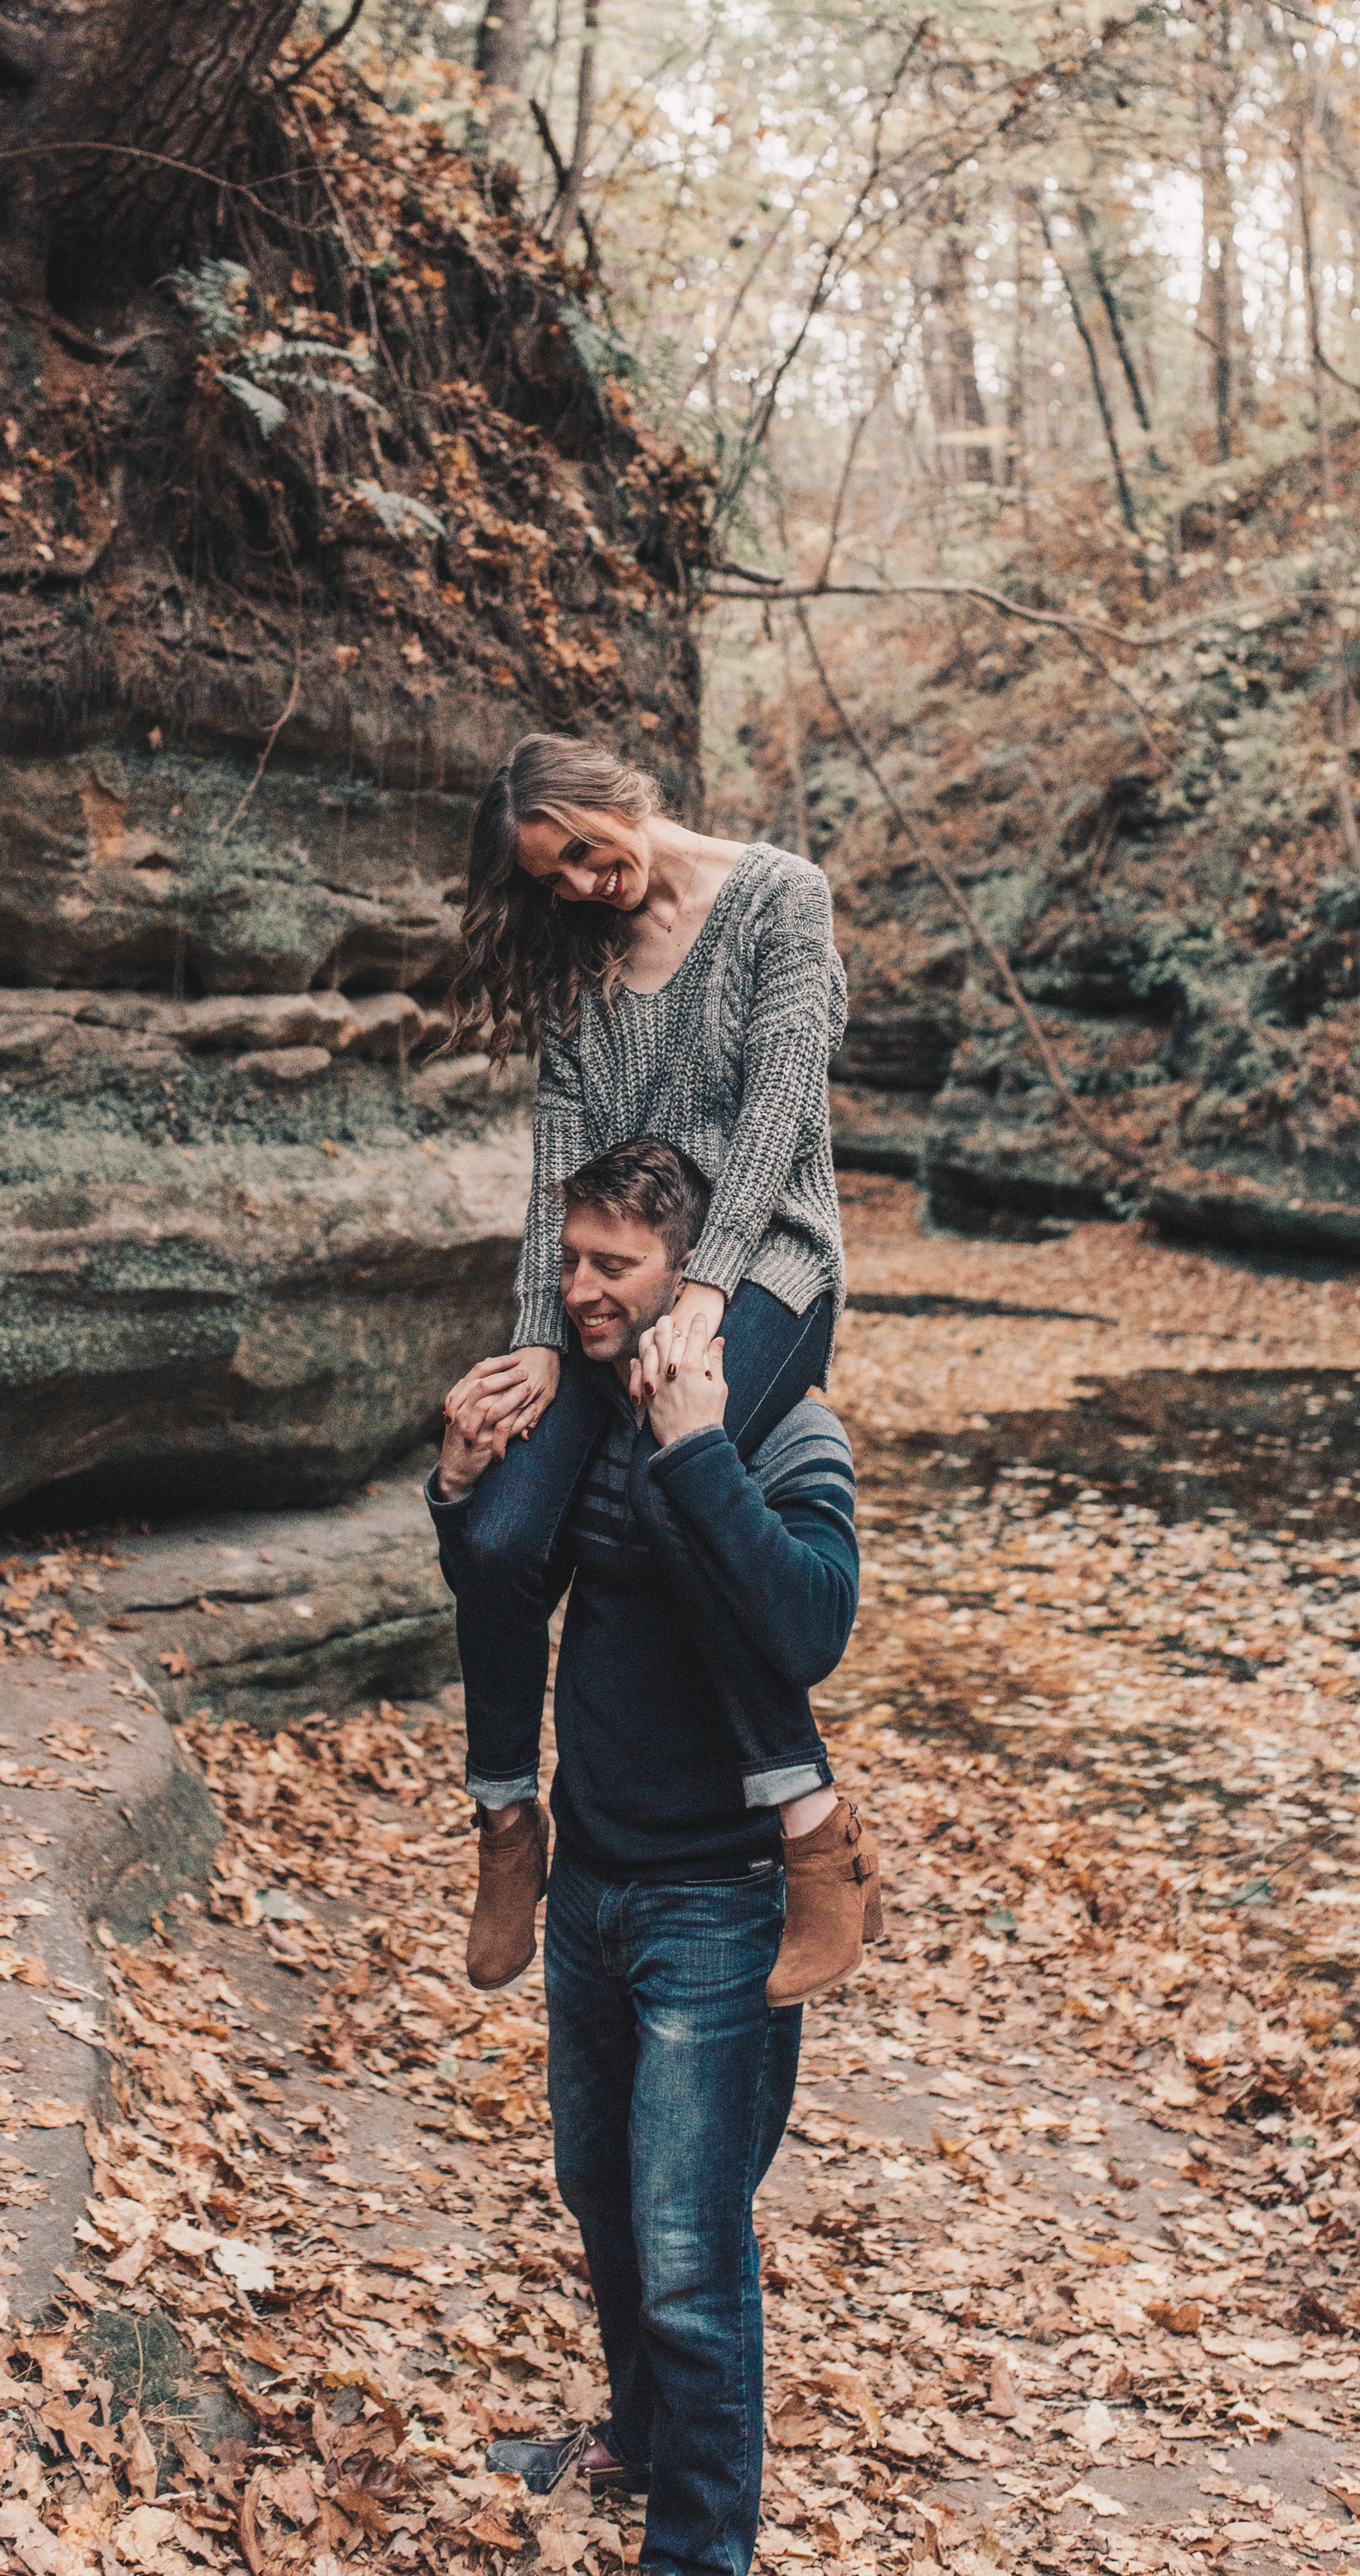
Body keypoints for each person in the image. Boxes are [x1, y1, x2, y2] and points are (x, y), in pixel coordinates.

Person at [427, 1139, 869, 2576]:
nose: (578, 1291)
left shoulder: (789, 1427)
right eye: (571, 1261)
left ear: (693, 1278)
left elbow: (806, 1626)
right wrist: (458, 1484)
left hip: (724, 1900)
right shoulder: (590, 1420)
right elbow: (510, 1581)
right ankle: (635, 2432)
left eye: (611, 1267)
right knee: (599, 2191)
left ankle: (699, 2551)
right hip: (594, 1882)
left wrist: (697, 1450)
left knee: (691, 2248)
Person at [442, 731, 866, 2004]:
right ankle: (511, 1817)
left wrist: (714, 1288)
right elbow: (555, 1169)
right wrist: (534, 1332)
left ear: (619, 797)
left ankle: (813, 1829)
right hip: (617, 1297)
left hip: (770, 1262)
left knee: (676, 1472)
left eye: (581, 847)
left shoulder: (781, 897)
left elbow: (786, 1106)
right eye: (549, 874)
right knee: (508, 1521)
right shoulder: (578, 961)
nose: (578, 883)